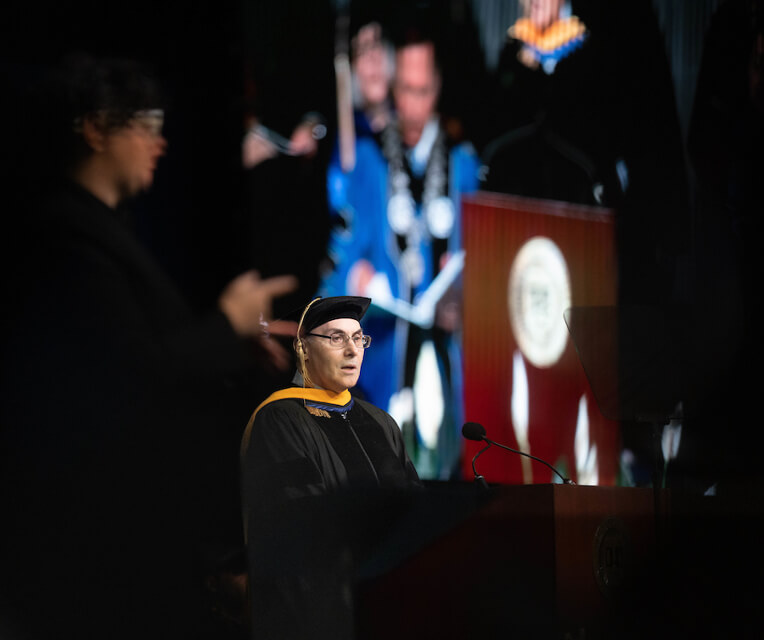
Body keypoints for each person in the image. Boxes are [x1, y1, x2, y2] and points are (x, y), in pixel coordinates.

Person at [0, 53, 297, 638]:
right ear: (94, 128)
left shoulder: (101, 232)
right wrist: (227, 321)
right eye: (146, 125)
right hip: (101, 552)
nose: (160, 143)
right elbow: (136, 373)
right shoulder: (66, 238)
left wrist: (233, 341)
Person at [320, 22, 480, 480]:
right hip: (386, 358)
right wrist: (356, 277)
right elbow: (340, 255)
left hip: (450, 356)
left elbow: (481, 261)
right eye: (405, 90)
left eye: (424, 90)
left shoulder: (462, 164)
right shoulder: (368, 163)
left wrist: (464, 291)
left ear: (439, 86)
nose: (413, 105)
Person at [240, 295, 421, 640]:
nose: (352, 350)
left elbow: (413, 506)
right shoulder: (280, 417)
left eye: (358, 338)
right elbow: (297, 525)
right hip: (319, 613)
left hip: (393, 605)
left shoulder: (381, 422)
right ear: (303, 348)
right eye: (336, 338)